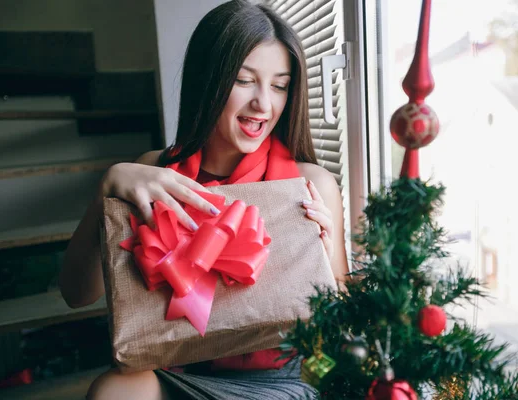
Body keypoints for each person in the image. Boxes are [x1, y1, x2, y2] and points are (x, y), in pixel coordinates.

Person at [58, 1, 349, 399]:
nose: (264, 104)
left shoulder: (311, 184)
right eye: (245, 80)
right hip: (176, 365)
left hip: (281, 378)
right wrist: (106, 187)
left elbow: (344, 326)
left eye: (280, 85)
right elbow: (76, 295)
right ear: (207, 80)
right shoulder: (152, 172)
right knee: (111, 390)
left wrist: (325, 261)